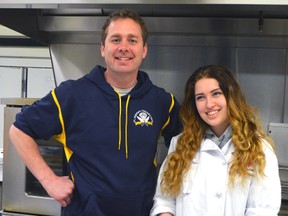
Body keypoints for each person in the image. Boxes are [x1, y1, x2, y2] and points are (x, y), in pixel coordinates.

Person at [9, 9, 182, 216]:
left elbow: (187, 146)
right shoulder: (71, 95)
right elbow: (19, 130)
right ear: (103, 48)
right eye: (116, 39)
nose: (124, 48)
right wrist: (49, 180)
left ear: (144, 50)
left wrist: (168, 203)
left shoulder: (162, 102)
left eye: (132, 40)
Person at [150, 65, 281, 216]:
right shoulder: (180, 144)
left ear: (231, 96)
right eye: (200, 97)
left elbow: (262, 211)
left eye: (216, 94)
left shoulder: (259, 149)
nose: (209, 104)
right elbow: (165, 202)